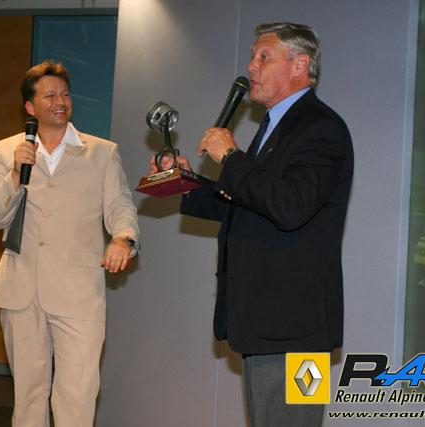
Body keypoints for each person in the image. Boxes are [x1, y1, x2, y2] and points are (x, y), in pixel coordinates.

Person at [151, 22, 353, 426]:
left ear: (300, 64)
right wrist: (185, 182)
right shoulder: (274, 127)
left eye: (264, 57)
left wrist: (231, 157)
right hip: (264, 322)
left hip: (296, 330)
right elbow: (250, 205)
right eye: (252, 57)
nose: (251, 66)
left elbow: (290, 206)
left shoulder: (321, 128)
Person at [0, 60, 139, 426]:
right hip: (20, 289)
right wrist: (13, 175)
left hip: (79, 290)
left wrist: (123, 239)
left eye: (65, 95)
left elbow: (121, 207)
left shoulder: (101, 152)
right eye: (50, 96)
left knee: (78, 395)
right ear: (30, 106)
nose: (60, 102)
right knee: (28, 395)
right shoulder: (7, 151)